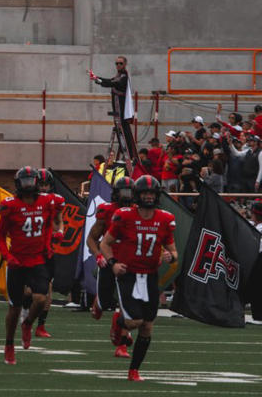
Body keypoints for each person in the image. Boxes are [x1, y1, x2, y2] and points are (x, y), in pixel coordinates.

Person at [100, 175, 177, 381]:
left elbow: (172, 248)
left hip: (150, 276)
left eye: (152, 193)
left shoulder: (165, 219)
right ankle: (120, 324)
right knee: (134, 322)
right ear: (137, 194)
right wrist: (113, 263)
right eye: (145, 193)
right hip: (128, 274)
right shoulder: (124, 216)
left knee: (147, 326)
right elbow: (105, 243)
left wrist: (171, 256)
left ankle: (134, 370)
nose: (149, 197)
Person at [0, 166, 61, 365]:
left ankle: (28, 324)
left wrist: (49, 243)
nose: (27, 185)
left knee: (41, 299)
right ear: (18, 184)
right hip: (17, 262)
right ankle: (9, 344)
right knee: (14, 308)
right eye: (24, 182)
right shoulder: (10, 206)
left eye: (30, 181)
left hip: (38, 260)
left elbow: (53, 222)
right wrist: (8, 256)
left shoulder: (48, 201)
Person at [86, 176, 134, 358]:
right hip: (110, 260)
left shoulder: (139, 213)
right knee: (105, 302)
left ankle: (122, 345)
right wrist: (98, 255)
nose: (127, 196)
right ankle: (98, 303)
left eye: (130, 192)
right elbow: (91, 238)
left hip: (129, 263)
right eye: (124, 192)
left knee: (126, 304)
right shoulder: (106, 211)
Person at [26, 169, 64, 339]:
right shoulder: (25, 200)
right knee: (28, 292)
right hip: (27, 251)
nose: (43, 188)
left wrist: (60, 231)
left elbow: (58, 221)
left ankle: (41, 325)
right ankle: (26, 314)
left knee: (47, 291)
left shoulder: (55, 201)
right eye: (40, 184)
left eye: (45, 184)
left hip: (46, 252)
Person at [90, 56, 136, 161]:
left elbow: (113, 83)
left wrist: (99, 80)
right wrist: (97, 78)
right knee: (121, 132)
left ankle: (129, 154)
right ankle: (126, 153)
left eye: (120, 63)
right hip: (117, 111)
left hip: (121, 111)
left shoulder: (123, 76)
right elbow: (110, 80)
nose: (118, 65)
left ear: (125, 64)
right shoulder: (118, 76)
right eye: (116, 63)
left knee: (124, 131)